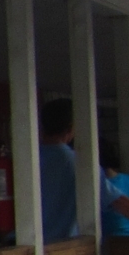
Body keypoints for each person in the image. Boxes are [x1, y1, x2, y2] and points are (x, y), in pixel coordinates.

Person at [38, 97, 80, 241]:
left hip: (19, 245)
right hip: (62, 250)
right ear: (70, 128)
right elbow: (117, 201)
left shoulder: (25, 159)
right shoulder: (79, 162)